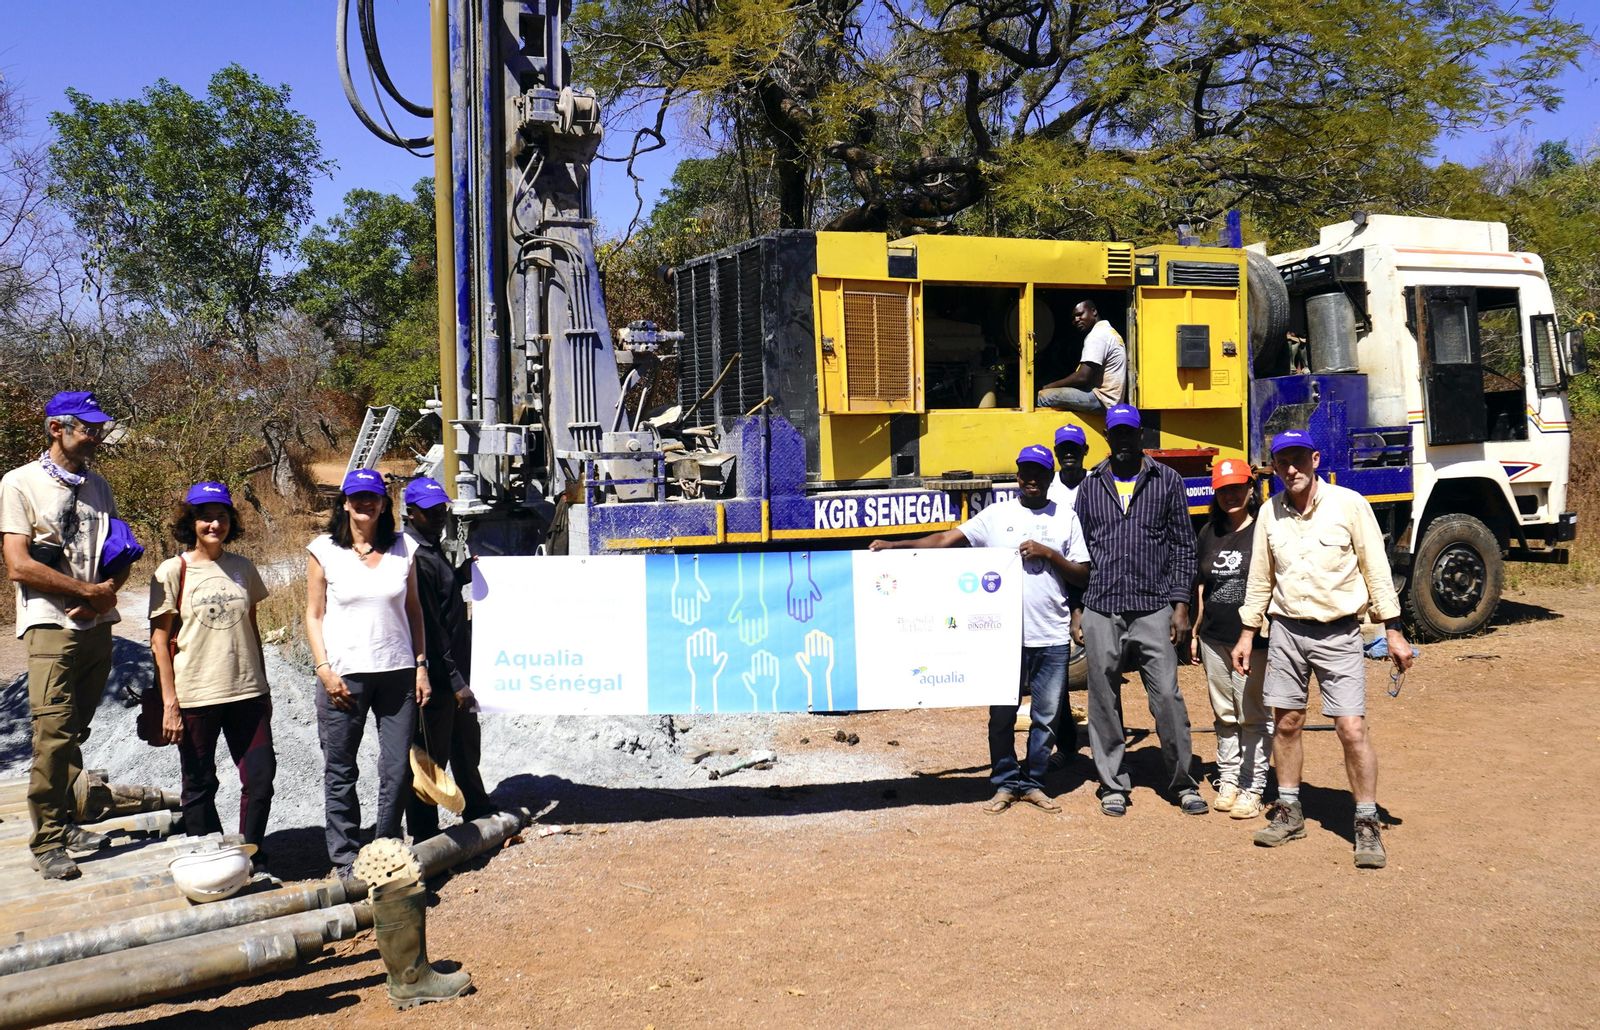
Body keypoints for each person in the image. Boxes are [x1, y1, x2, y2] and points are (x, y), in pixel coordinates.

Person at [1232, 430, 1415, 869]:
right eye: (1282, 462)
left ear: (1315, 459)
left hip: (1340, 633)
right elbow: (1260, 578)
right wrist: (1246, 633)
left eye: (1298, 459)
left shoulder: (1350, 505)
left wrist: (1393, 630)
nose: (1291, 469)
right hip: (1286, 632)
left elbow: (1376, 568)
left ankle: (1367, 822)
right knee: (1287, 723)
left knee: (1351, 729)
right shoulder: (1268, 515)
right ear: (1273, 468)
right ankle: (1290, 811)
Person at [871, 445, 1089, 814]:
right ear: (1017, 477)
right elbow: (944, 540)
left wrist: (1049, 554)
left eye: (1039, 472)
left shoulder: (1065, 518)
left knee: (1047, 717)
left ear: (1050, 478)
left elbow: (1082, 573)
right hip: (1001, 637)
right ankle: (1005, 782)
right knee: (1002, 716)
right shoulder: (996, 515)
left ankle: (1034, 782)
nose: (1031, 478)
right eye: (1025, 472)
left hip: (1050, 634)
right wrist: (897, 544)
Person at [0, 392, 125, 880]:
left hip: (96, 627)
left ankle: (68, 820)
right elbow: (18, 564)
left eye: (98, 428)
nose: (96, 436)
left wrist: (108, 592)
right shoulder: (19, 483)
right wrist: (85, 590)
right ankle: (47, 839)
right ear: (58, 428)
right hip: (51, 627)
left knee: (77, 730)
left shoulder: (99, 486)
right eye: (88, 428)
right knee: (52, 737)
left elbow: (119, 552)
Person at [1072, 403, 1203, 817]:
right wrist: (1078, 610)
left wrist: (1181, 607)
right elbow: (1078, 552)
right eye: (1117, 434)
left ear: (1140, 436)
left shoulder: (1167, 481)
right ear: (1108, 438)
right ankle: (1112, 783)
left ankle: (1182, 781)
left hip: (1153, 606)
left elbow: (1184, 547)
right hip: (1101, 604)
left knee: (1166, 695)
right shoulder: (1090, 486)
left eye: (1130, 433)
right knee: (1103, 698)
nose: (1123, 440)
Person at [305, 469, 430, 876]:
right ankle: (344, 857)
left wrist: (421, 665)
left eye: (373, 497)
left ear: (383, 504)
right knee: (341, 769)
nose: (365, 503)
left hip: (397, 673)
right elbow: (314, 614)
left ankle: (387, 847)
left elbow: (414, 611)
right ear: (344, 503)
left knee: (395, 769)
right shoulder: (324, 549)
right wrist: (323, 668)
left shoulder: (403, 547)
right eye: (357, 497)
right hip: (344, 676)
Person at [148, 482, 276, 857]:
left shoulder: (243, 568)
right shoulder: (173, 570)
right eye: (205, 517)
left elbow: (252, 628)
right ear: (192, 522)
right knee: (200, 783)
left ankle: (249, 853)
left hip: (247, 692)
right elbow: (160, 642)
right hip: (196, 694)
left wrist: (264, 686)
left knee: (261, 778)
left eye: (221, 516)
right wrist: (170, 703)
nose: (214, 524)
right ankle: (212, 856)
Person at [402, 477, 493, 841]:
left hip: (455, 669)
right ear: (411, 513)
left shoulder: (431, 547)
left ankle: (478, 809)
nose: (439, 516)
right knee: (430, 755)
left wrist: (460, 575)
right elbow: (431, 627)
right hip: (437, 677)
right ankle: (425, 835)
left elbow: (444, 597)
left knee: (464, 743)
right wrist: (455, 682)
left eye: (442, 509)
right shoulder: (414, 558)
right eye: (430, 511)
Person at [1191, 458, 1270, 819]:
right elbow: (1203, 585)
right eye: (1223, 489)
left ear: (1251, 489)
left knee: (1251, 714)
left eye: (1237, 487)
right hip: (1213, 637)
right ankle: (1228, 779)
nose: (1231, 495)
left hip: (1251, 640)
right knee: (1224, 713)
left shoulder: (1264, 531)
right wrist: (1195, 631)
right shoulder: (1208, 532)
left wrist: (1253, 633)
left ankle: (1252, 787)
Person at [1036, 300, 1127, 412]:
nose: (1076, 320)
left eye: (1079, 314)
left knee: (1044, 395)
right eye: (1073, 318)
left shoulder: (1097, 335)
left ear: (1093, 311)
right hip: (1111, 399)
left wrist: (1049, 386)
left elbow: (1083, 377)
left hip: (1102, 399)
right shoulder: (1109, 332)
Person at [1048, 424, 1089, 509]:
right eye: (1063, 448)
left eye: (1074, 448)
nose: (1069, 454)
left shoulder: (1098, 482)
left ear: (1086, 450)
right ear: (1055, 451)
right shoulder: (1047, 484)